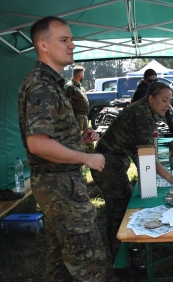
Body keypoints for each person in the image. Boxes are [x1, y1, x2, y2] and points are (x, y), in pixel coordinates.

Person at [18, 16, 106, 281]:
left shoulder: (50, 84)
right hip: (60, 186)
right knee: (90, 263)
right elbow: (37, 143)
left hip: (56, 185)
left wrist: (80, 139)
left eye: (71, 40)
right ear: (43, 45)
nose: (72, 46)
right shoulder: (42, 86)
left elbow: (51, 135)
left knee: (60, 262)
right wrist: (85, 158)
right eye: (64, 40)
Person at [91, 82, 173, 278]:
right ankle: (121, 266)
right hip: (108, 165)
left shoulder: (143, 110)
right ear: (151, 99)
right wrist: (170, 177)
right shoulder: (143, 115)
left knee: (120, 210)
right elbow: (146, 155)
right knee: (119, 214)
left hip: (112, 162)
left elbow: (142, 152)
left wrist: (149, 171)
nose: (167, 105)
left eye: (170, 101)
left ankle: (125, 255)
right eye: (164, 100)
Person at [64, 65, 94, 153]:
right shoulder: (69, 87)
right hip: (76, 118)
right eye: (83, 74)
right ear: (80, 75)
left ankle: (91, 156)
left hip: (83, 118)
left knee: (89, 138)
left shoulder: (80, 87)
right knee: (78, 140)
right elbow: (66, 104)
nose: (83, 76)